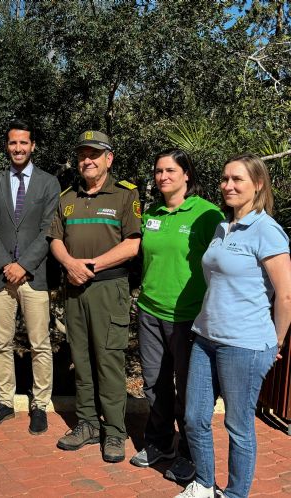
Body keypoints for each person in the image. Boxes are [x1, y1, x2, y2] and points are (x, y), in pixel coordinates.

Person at [176, 154, 291, 498]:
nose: (227, 185)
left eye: (237, 179)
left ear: (258, 184)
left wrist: (277, 343)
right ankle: (204, 483)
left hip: (245, 344)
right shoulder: (222, 226)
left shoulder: (267, 230)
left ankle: (235, 494)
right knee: (195, 418)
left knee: (238, 426)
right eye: (224, 179)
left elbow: (285, 295)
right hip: (206, 337)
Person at [130, 150, 223, 482]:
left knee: (188, 389)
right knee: (154, 384)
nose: (163, 176)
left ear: (187, 175)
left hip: (187, 318)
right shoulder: (151, 213)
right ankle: (160, 443)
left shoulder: (207, 215)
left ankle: (188, 453)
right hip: (150, 312)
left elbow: (223, 265)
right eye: (158, 171)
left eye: (171, 170)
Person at [49, 130, 141, 463]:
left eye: (95, 154)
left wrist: (91, 265)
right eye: (83, 155)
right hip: (75, 289)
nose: (87, 160)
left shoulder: (125, 195)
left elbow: (133, 244)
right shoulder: (67, 197)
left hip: (108, 288)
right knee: (82, 360)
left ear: (108, 159)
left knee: (109, 361)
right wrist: (70, 264)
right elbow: (55, 239)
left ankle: (115, 431)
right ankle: (87, 425)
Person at [0, 119, 60, 435]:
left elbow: (48, 230)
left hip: (34, 276)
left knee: (40, 343)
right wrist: (4, 265)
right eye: (13, 143)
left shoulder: (48, 183)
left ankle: (39, 405)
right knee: (1, 342)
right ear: (6, 146)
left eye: (23, 143)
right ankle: (5, 402)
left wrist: (23, 265)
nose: (18, 148)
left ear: (33, 146)